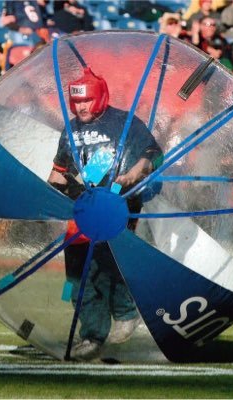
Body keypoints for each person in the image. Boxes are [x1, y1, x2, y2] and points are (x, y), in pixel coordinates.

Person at [48, 67, 163, 360]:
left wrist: (132, 175)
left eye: (86, 100)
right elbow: (59, 173)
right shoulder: (71, 129)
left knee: (107, 264)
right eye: (77, 103)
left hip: (117, 206)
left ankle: (123, 313)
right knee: (77, 275)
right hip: (82, 208)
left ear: (99, 98)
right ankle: (93, 335)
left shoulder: (123, 123)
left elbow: (152, 154)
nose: (81, 107)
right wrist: (43, 193)